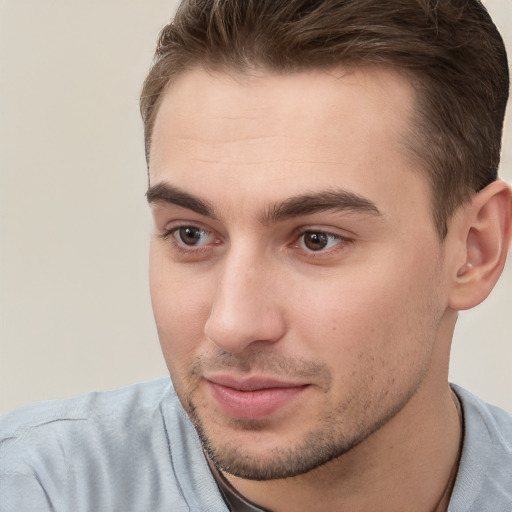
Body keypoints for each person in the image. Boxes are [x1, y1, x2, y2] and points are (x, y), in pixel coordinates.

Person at [1, 0, 511, 510]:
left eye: (317, 239)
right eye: (191, 235)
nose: (232, 325)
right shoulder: (36, 488)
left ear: (474, 250)